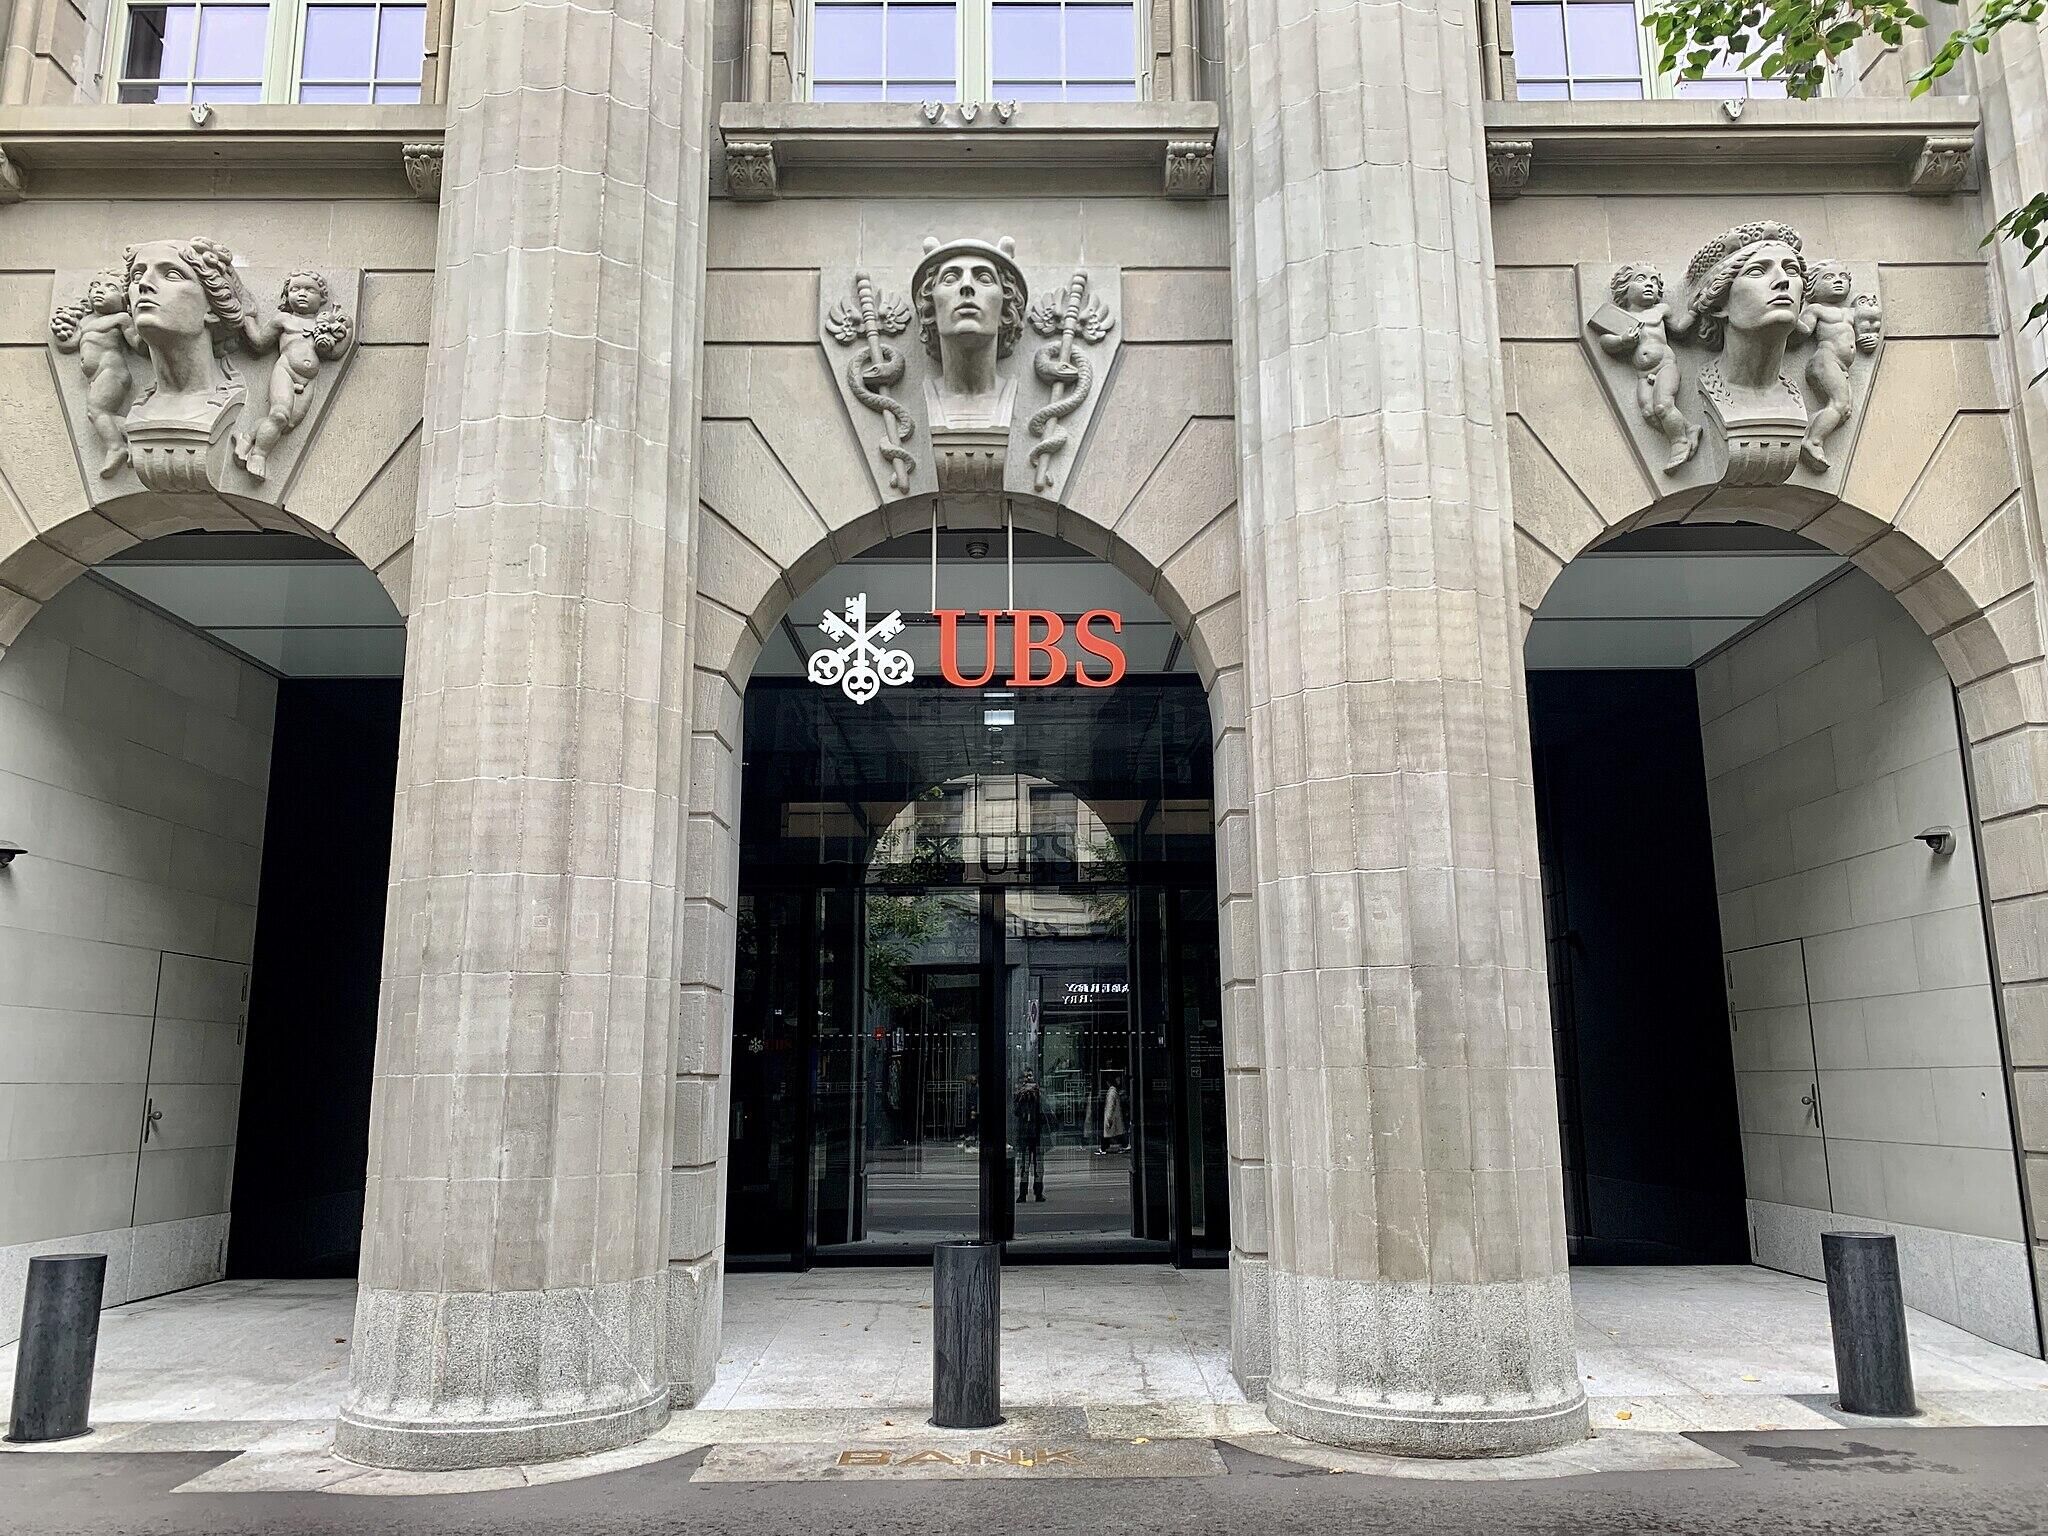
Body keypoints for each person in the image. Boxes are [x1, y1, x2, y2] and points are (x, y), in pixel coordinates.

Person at [1013, 1070, 1044, 1202]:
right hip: (1036, 1133)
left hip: (1024, 1133)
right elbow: (1043, 1110)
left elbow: (1016, 1112)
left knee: (1024, 1164)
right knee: (1038, 1165)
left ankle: (1022, 1193)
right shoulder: (1038, 1092)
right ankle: (1038, 1192)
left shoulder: (1020, 1094)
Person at [1100, 1073, 1128, 1155]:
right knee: (1116, 1133)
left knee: (1108, 1134)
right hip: (1116, 1117)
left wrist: (1109, 1117)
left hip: (1112, 1117)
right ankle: (1123, 1145)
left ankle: (1104, 1148)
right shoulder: (1115, 1091)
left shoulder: (1111, 1092)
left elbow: (1110, 1106)